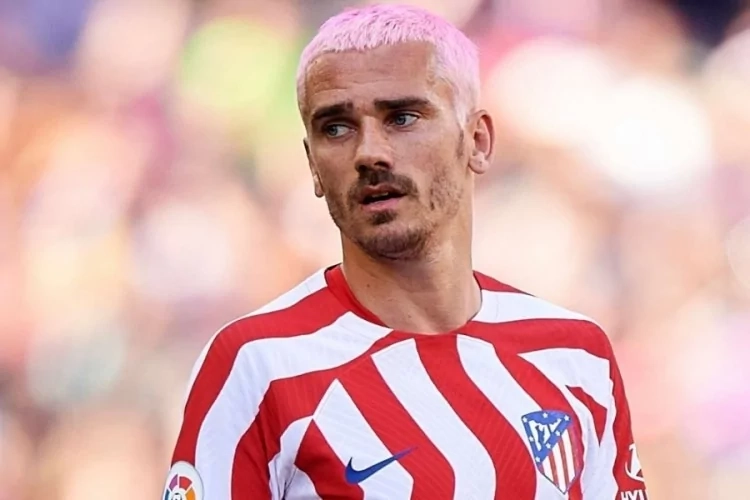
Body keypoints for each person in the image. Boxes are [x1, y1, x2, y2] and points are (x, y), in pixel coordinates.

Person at [163, 4, 649, 500]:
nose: (369, 152)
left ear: (477, 141)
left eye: (402, 117)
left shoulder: (575, 355)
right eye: (336, 127)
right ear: (312, 165)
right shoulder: (258, 365)